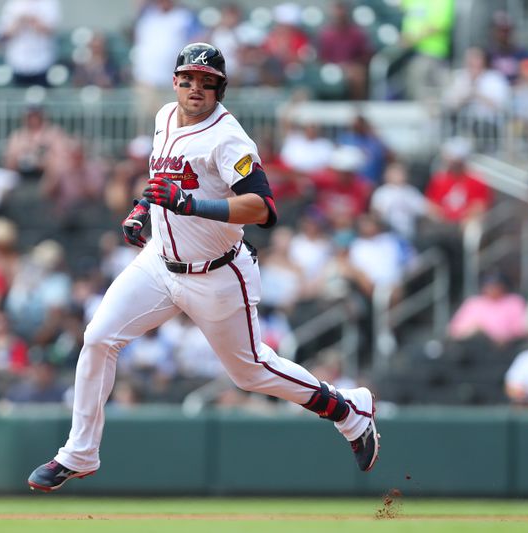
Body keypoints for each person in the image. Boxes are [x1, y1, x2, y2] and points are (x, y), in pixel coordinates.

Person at [27, 43, 380, 492]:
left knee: (249, 373)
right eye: (188, 78)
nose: (196, 87)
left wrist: (192, 204)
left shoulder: (228, 137)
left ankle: (347, 410)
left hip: (218, 272)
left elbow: (264, 209)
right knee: (97, 337)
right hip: (159, 263)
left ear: (220, 87)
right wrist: (141, 209)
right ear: (175, 81)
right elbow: (163, 180)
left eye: (206, 80)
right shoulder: (163, 117)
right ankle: (79, 454)